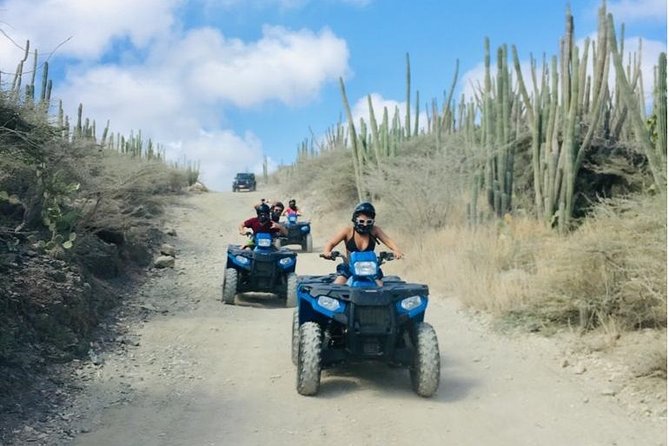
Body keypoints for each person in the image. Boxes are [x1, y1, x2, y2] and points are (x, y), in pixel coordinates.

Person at [321, 202, 403, 285]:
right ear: (355, 219)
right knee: (338, 285)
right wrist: (327, 252)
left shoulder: (375, 230)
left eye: (369, 222)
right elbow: (331, 242)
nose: (365, 224)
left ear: (373, 221)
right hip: (350, 267)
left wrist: (397, 251)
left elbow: (388, 241)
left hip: (370, 268)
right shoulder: (348, 231)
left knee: (380, 286)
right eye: (361, 221)